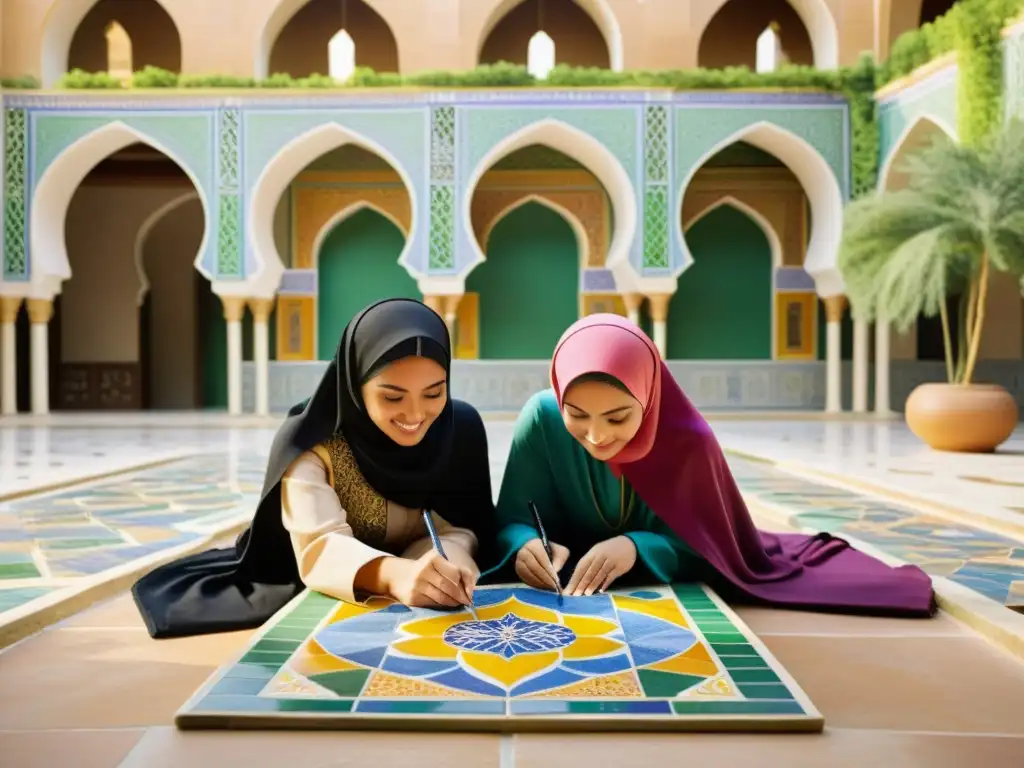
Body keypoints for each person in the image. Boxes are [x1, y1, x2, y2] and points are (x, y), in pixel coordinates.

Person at [485, 313, 935, 617]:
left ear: (648, 396)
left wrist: (636, 548)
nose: (598, 436)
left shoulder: (686, 440)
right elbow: (510, 519)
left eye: (618, 417)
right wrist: (525, 545)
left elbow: (709, 543)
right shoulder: (542, 419)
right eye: (578, 416)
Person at [133, 298, 495, 639]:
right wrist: (395, 576)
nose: (416, 415)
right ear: (355, 385)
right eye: (392, 397)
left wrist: (452, 552)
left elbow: (467, 521)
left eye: (434, 394)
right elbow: (321, 543)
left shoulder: (458, 428)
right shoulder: (314, 441)